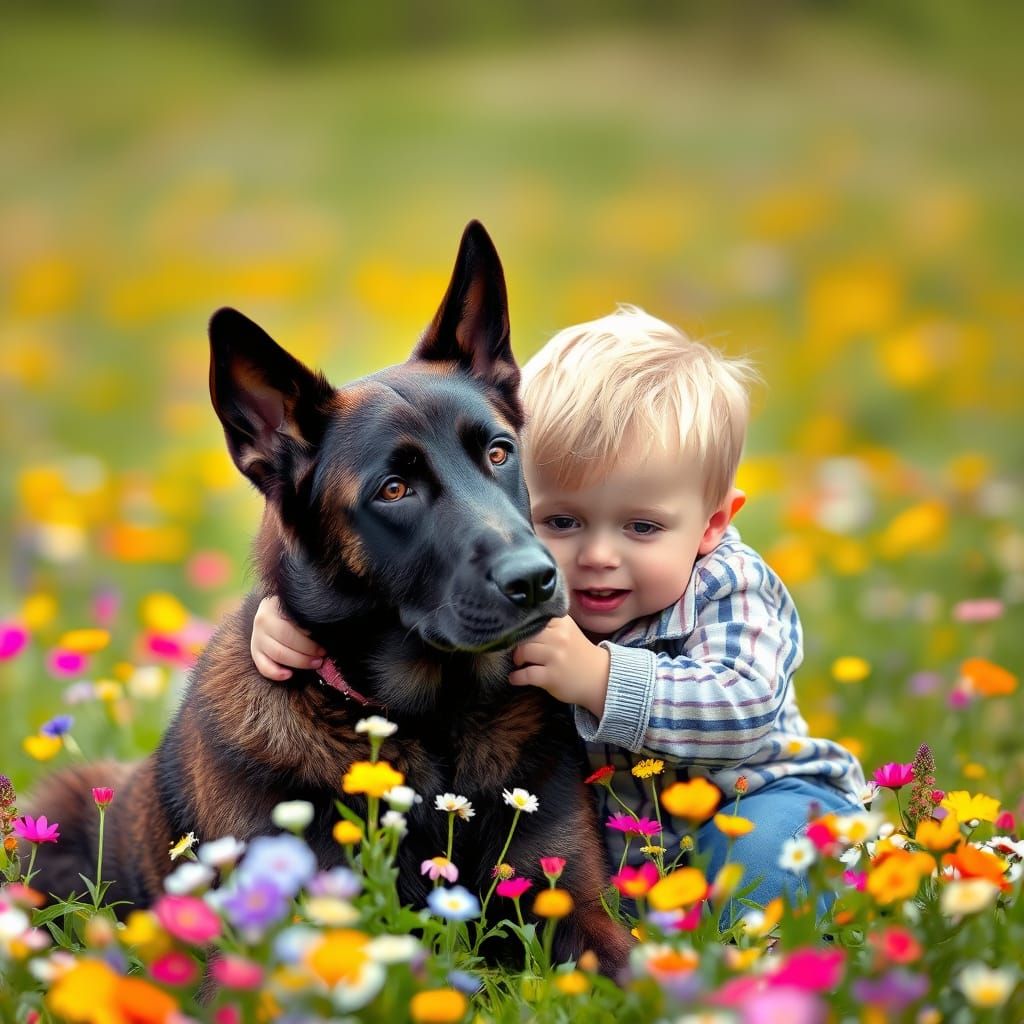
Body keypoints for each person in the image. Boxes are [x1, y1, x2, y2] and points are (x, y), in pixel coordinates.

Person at [249, 305, 865, 920]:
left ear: (712, 524)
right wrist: (288, 624)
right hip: (629, 845)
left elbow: (744, 710)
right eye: (562, 522)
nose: (598, 557)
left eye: (642, 527)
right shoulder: (518, 590)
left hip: (755, 802)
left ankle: (776, 926)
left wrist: (601, 680)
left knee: (765, 867)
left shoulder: (729, 588)